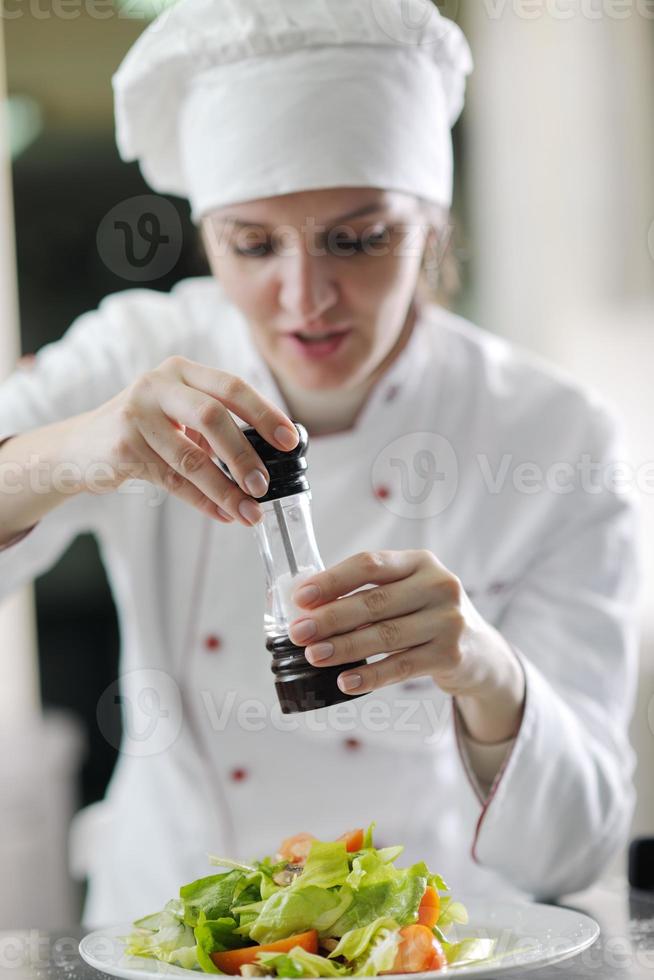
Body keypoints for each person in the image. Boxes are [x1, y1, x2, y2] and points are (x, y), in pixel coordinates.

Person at [0, 0, 641, 928]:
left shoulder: (555, 435)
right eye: (253, 244)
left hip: (430, 938)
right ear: (207, 235)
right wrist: (68, 453)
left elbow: (578, 844)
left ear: (431, 226)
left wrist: (483, 669)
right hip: (176, 934)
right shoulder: (139, 352)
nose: (305, 298)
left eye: (359, 237)